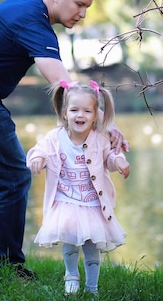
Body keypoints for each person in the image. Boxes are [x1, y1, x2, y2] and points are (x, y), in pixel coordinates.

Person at [0, 0, 129, 279]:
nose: (82, 14)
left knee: (1, 178)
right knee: (14, 175)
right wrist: (103, 124)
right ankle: (9, 265)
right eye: (79, 4)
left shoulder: (27, 10)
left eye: (87, 8)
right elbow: (64, 87)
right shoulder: (33, 22)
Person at [27, 80, 130, 295]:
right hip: (66, 202)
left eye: (86, 111)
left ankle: (92, 288)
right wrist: (37, 159)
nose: (79, 115)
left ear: (96, 116)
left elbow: (109, 158)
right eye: (74, 110)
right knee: (71, 242)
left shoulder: (100, 139)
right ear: (65, 112)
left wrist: (118, 161)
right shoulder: (55, 138)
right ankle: (71, 275)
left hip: (92, 203)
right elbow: (39, 150)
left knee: (92, 246)